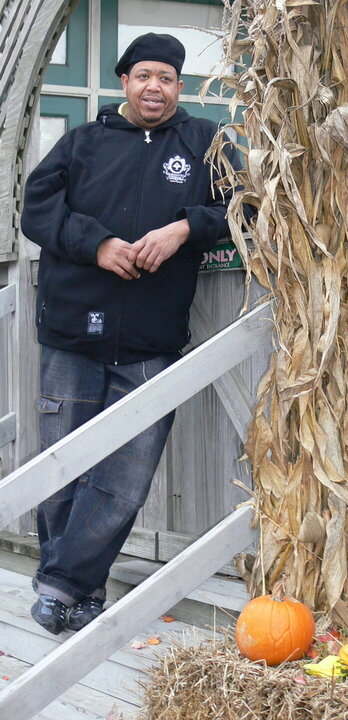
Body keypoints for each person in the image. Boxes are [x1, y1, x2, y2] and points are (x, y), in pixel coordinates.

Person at [21, 33, 243, 634]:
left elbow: (244, 206)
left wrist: (184, 230)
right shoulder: (82, 144)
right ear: (125, 81)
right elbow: (36, 210)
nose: (155, 87)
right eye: (144, 75)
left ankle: (60, 586)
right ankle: (76, 590)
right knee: (62, 466)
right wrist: (96, 245)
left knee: (126, 476)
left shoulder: (204, 144)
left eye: (167, 78)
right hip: (72, 331)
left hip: (152, 339)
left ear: (178, 85)